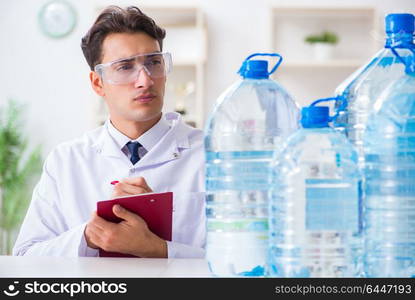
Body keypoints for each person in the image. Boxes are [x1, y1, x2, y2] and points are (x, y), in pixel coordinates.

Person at [13, 6, 205, 258]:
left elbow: (251, 266)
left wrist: (159, 250)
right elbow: (26, 258)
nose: (145, 80)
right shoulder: (66, 160)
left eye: (154, 63)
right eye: (125, 67)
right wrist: (88, 236)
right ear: (97, 83)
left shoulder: (214, 155)